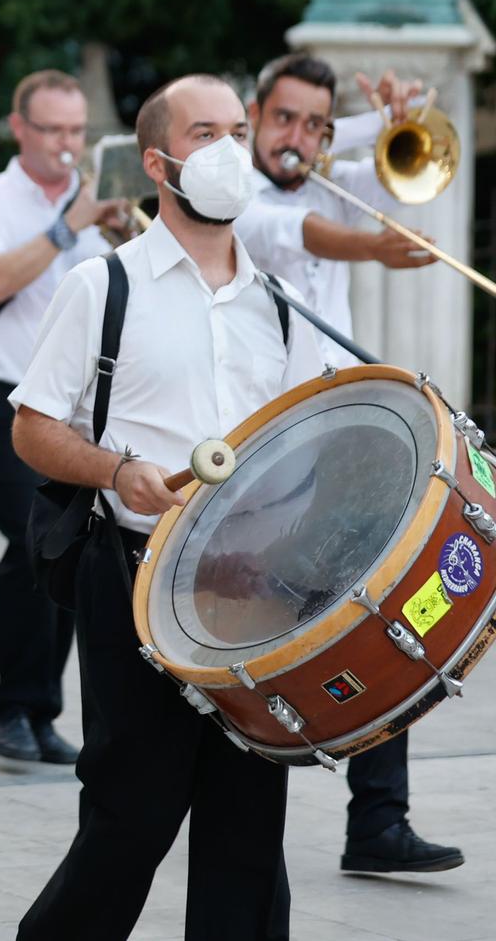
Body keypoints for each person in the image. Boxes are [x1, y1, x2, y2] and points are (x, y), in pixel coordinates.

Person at [10, 74, 322, 940]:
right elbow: (32, 428)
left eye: (237, 129)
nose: (228, 148)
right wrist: (116, 469)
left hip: (258, 593)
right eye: (203, 133)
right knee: (130, 815)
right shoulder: (102, 286)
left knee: (249, 829)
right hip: (137, 576)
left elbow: (303, 451)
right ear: (158, 161)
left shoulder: (279, 306)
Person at [235, 52, 461, 877]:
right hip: (268, 460)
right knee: (268, 634)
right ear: (253, 116)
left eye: (315, 126)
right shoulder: (238, 202)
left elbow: (408, 176)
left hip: (344, 443)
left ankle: (379, 821)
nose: (296, 139)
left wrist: (400, 112)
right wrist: (375, 250)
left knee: (385, 619)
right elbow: (299, 233)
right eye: (283, 119)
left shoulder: (330, 177)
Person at [0, 69, 122, 763]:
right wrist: (67, 225)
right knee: (30, 534)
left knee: (71, 548)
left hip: (76, 409)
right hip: (3, 394)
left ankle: (40, 708)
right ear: (19, 128)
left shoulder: (97, 210)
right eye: (51, 130)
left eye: (76, 131)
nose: (66, 145)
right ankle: (12, 704)